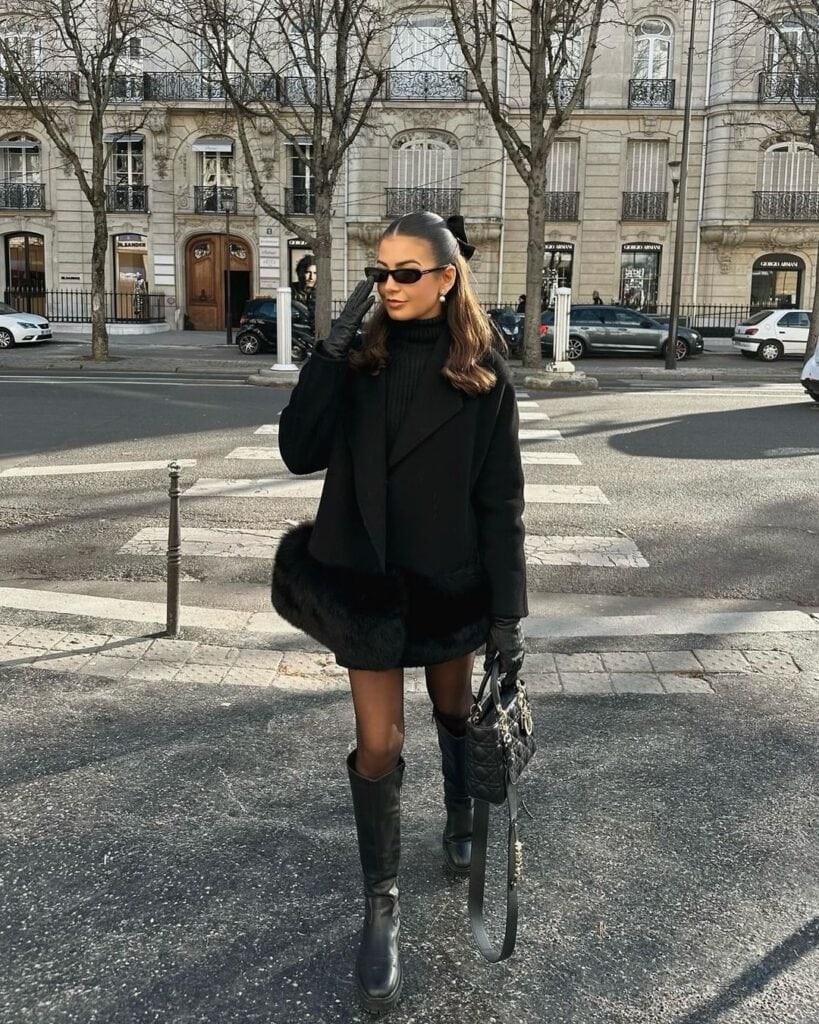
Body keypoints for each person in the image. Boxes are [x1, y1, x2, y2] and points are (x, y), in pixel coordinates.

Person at [271, 211, 527, 1012]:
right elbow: (296, 449)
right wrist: (328, 351)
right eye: (378, 272)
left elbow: (500, 501)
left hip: (447, 578)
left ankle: (458, 814)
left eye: (404, 273)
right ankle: (380, 903)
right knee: (377, 743)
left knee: (454, 712)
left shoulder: (481, 368)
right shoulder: (357, 358)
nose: (386, 286)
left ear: (446, 277)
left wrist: (507, 617)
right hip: (367, 584)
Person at [292, 254, 317, 322]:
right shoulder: (292, 291)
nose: (311, 277)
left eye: (315, 273)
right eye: (308, 272)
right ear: (301, 273)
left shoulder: (318, 293)